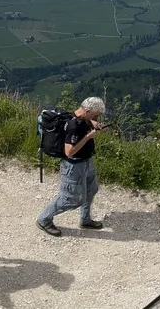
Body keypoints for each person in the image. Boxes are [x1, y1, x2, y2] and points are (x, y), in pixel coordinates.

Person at [36, 96, 106, 236]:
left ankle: (85, 220)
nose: (97, 117)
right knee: (70, 199)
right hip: (74, 166)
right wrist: (88, 137)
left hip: (86, 161)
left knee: (91, 189)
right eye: (95, 115)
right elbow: (69, 152)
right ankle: (44, 219)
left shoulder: (80, 117)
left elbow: (86, 121)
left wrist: (95, 124)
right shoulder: (74, 126)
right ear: (87, 110)